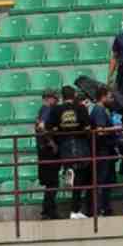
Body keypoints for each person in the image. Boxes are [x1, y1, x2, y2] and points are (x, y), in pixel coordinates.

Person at [46, 86, 93, 219]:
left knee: (72, 168)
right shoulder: (81, 108)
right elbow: (88, 127)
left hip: (64, 145)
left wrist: (54, 141)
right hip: (80, 144)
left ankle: (68, 172)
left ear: (62, 96)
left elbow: (47, 128)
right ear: (74, 95)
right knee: (82, 176)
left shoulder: (56, 109)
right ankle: (75, 210)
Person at [88, 85, 122, 216]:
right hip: (102, 151)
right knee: (102, 181)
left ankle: (104, 207)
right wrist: (116, 128)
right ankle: (100, 209)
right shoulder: (99, 110)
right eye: (110, 96)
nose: (112, 99)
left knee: (106, 181)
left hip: (105, 151)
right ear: (102, 97)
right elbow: (100, 131)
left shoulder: (103, 110)